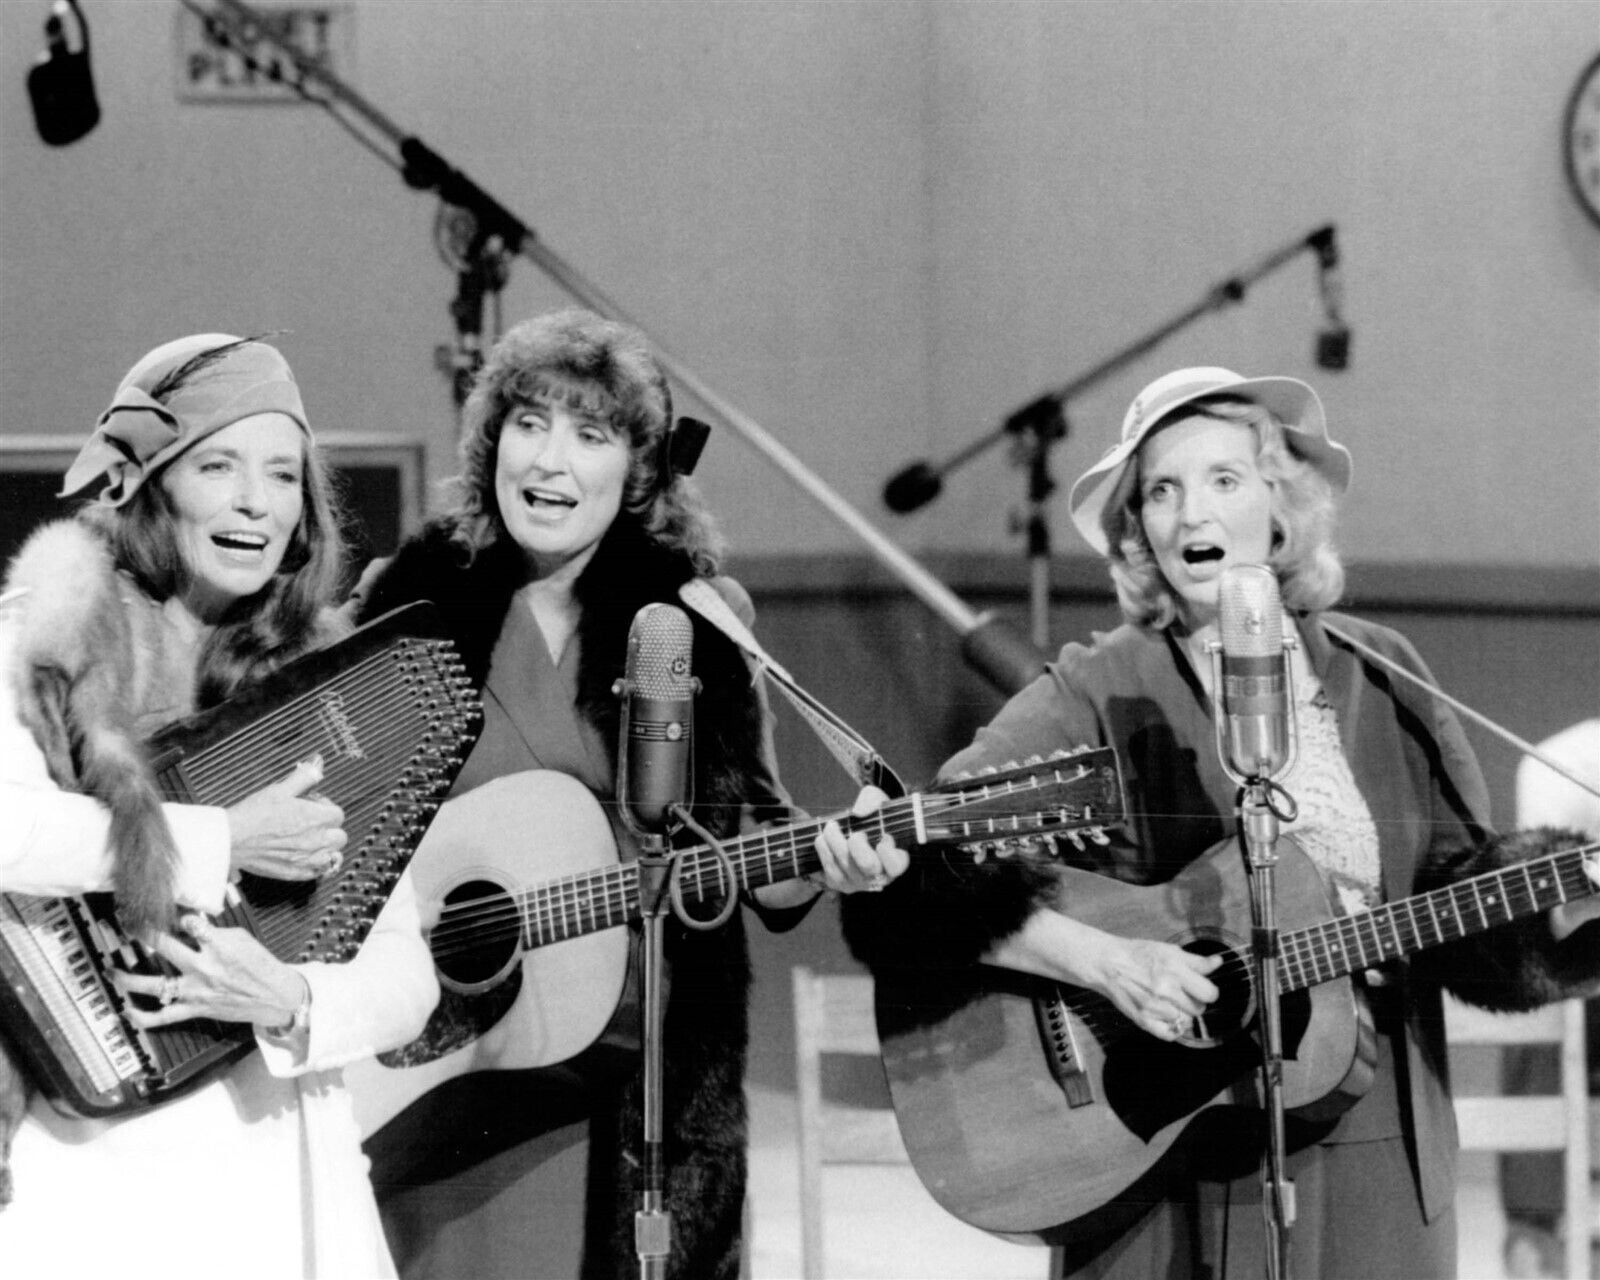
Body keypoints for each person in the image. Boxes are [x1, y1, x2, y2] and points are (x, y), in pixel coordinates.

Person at [842, 366, 1600, 1279]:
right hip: (1169, 1152)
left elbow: (1460, 901)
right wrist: (1113, 964)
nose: (1190, 513)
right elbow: (923, 869)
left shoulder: (1384, 670)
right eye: (1161, 490)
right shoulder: (1097, 683)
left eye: (1223, 481)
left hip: (1379, 1143)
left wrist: (1560, 905)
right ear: (1138, 531)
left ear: (1280, 511)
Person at [346, 307, 908, 1280]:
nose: (549, 460)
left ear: (639, 471)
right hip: (454, 1078)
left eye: (590, 433)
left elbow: (757, 849)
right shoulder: (414, 598)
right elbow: (340, 819)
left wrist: (838, 859)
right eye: (530, 423)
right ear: (492, 441)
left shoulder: (691, 619)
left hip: (641, 1085)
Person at [0, 334, 440, 1279]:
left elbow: (409, 973)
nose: (256, 500)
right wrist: (225, 840)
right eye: (219, 465)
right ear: (154, 485)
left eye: (283, 474)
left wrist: (292, 999)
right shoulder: (41, 637)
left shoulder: (341, 689)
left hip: (282, 1168)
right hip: (89, 1174)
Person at [1500, 718, 1600, 1279]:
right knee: (1538, 1002)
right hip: (1577, 973)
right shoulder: (1562, 761)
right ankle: (1533, 1246)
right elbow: (1536, 918)